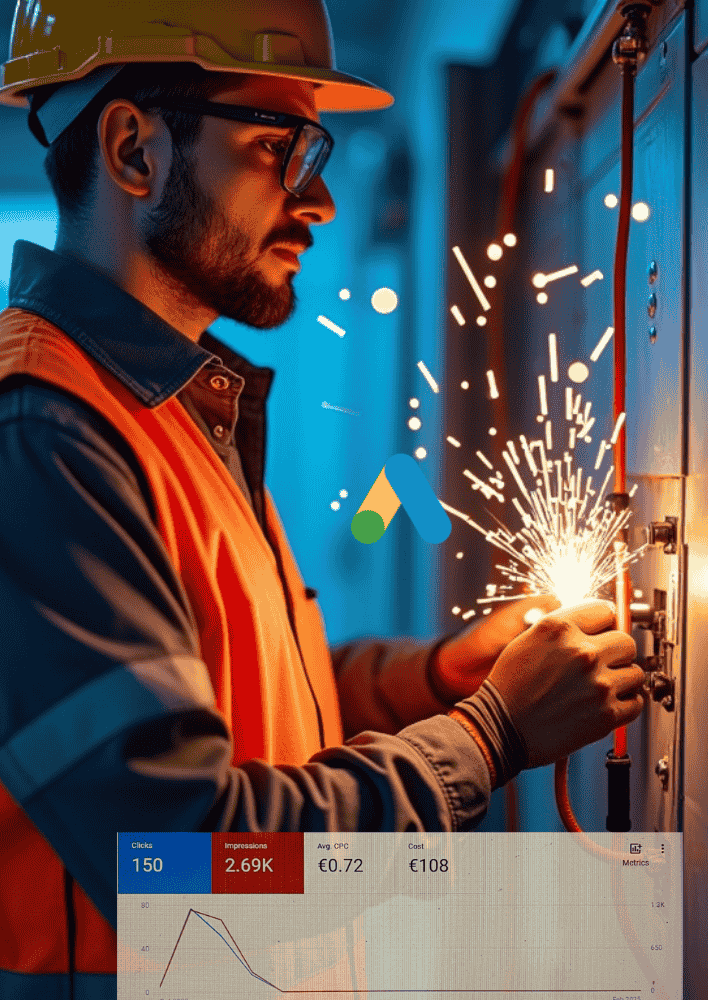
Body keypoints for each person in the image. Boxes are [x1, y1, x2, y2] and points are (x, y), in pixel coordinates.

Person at [0, 1, 647, 996]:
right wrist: (487, 734)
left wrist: (439, 674)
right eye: (278, 148)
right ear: (135, 149)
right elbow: (178, 863)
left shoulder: (169, 409)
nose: (321, 201)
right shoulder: (48, 436)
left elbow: (240, 708)